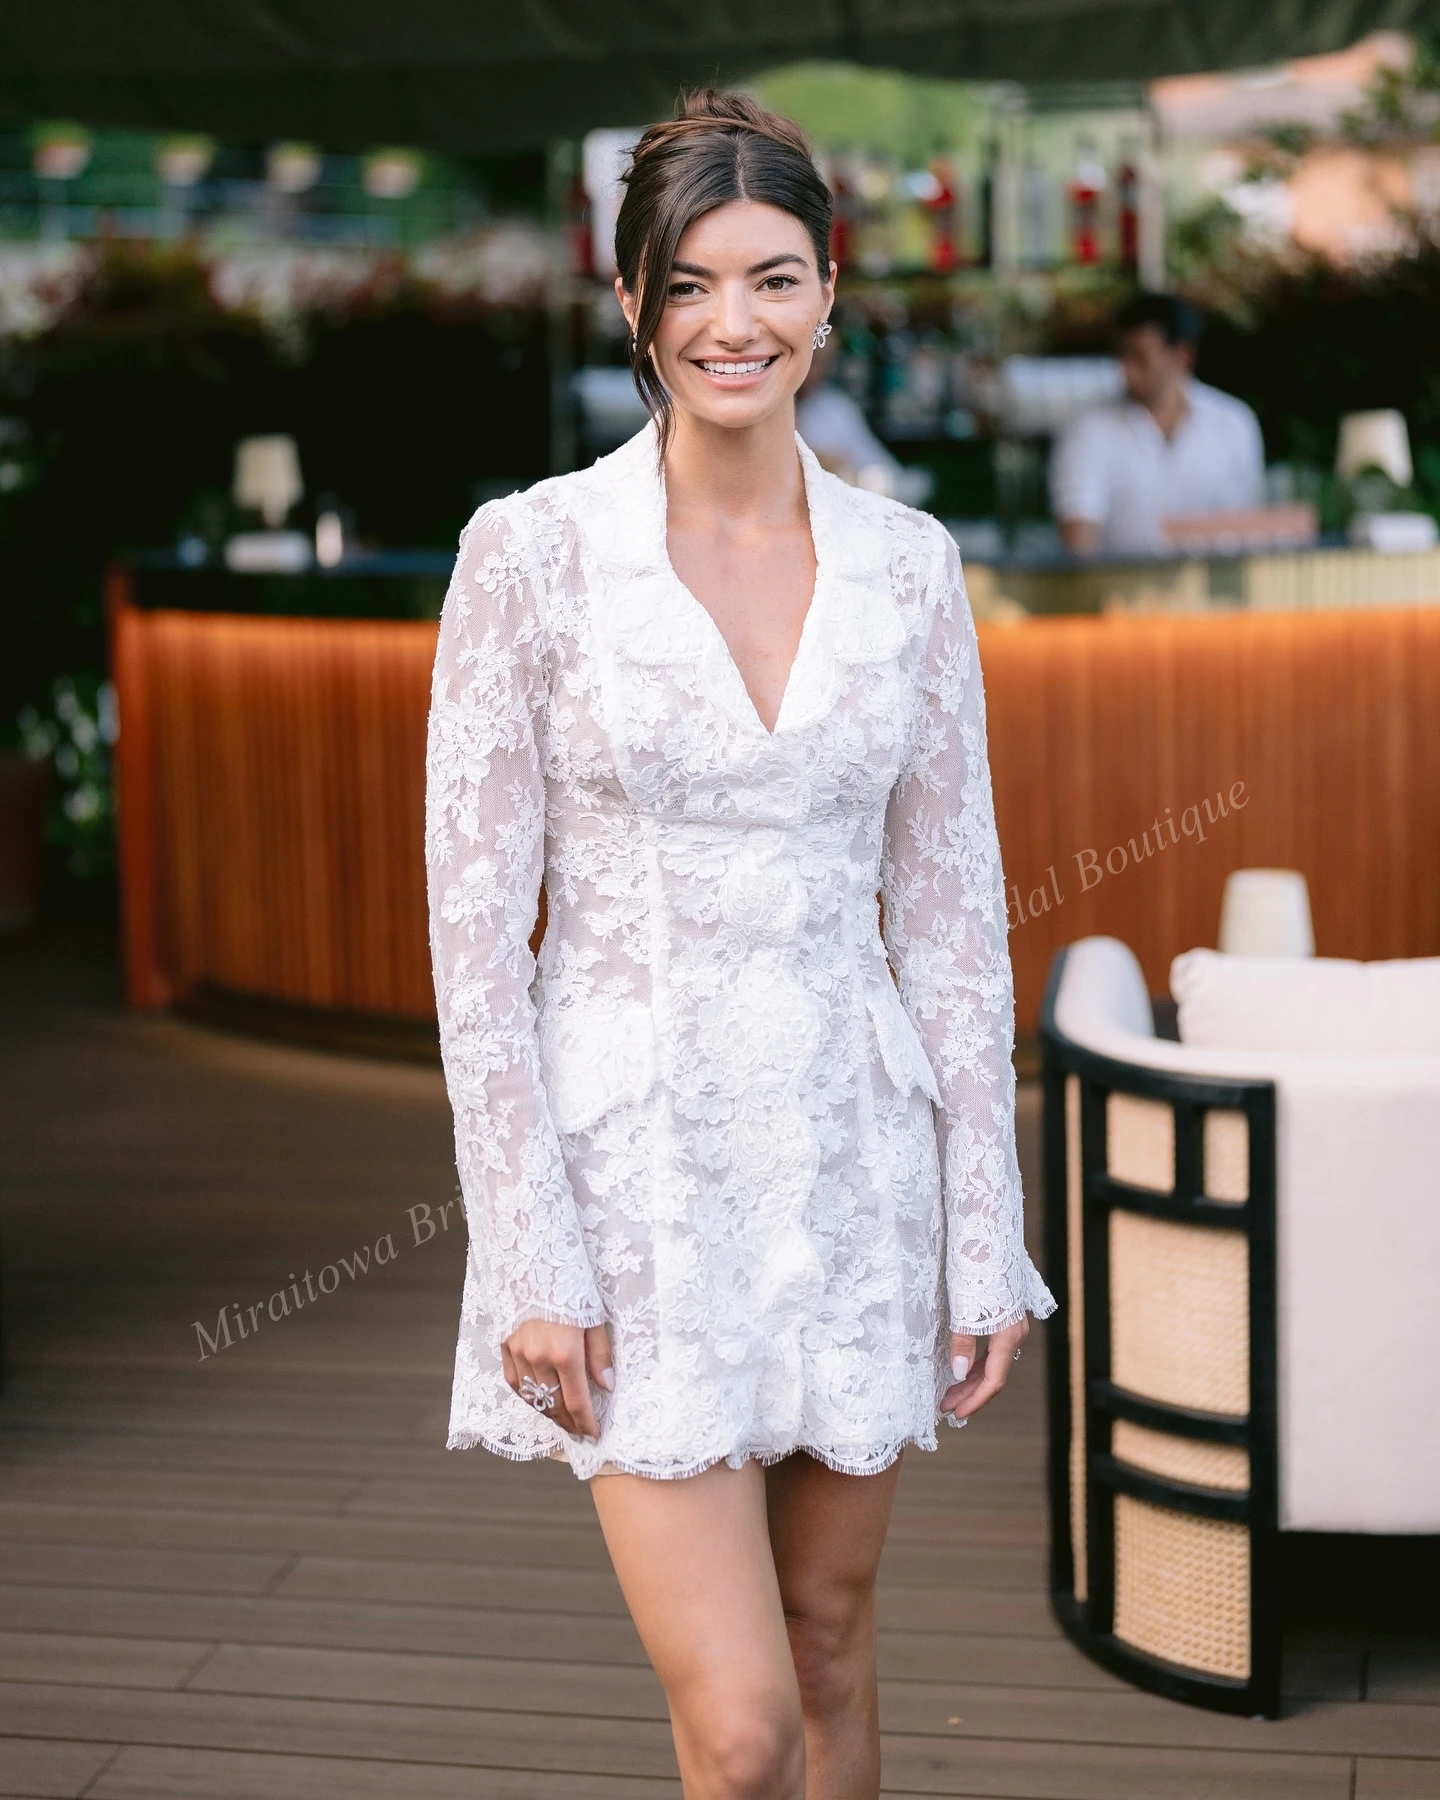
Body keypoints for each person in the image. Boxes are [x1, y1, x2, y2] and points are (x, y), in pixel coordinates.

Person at [425, 89, 1054, 1800]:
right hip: (635, 1193)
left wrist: (982, 1229)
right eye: (688, 286)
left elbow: (950, 923)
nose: (733, 324)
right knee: (745, 1719)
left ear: (831, 291)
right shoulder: (531, 558)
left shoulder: (910, 569)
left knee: (836, 1647)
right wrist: (531, 1251)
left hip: (852, 1164)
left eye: (772, 279)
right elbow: (478, 952)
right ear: (632, 305)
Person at [1050, 291, 1264, 555]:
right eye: (1122, 356)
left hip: (1214, 591)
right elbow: (1079, 537)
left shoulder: (1233, 424)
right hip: (1117, 592)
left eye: (1139, 358)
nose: (1126, 371)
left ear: (1182, 356)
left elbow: (1247, 527)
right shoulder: (1089, 430)